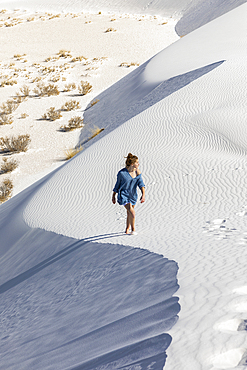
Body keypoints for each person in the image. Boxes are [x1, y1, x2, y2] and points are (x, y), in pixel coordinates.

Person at [112, 153, 145, 235]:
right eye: (137, 163)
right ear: (132, 164)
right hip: (123, 196)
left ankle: (127, 229)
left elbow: (141, 184)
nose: (139, 164)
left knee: (129, 213)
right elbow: (117, 185)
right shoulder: (122, 173)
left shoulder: (137, 173)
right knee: (132, 212)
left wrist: (143, 195)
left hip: (133, 196)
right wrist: (113, 196)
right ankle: (133, 230)